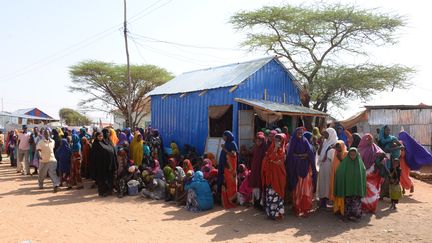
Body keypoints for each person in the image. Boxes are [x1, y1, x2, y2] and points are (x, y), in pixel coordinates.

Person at [286, 128, 317, 217]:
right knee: (297, 189)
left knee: (306, 189)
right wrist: (300, 156)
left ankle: (306, 209)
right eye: (298, 132)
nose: (300, 134)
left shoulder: (305, 141)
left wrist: (304, 155)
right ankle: (297, 207)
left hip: (306, 169)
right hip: (296, 170)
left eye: (301, 133)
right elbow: (290, 156)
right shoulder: (293, 143)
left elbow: (310, 154)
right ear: (295, 133)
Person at [334, 148, 366, 220]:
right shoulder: (345, 162)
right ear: (348, 155)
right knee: (348, 201)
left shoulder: (360, 164)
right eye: (351, 155)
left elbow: (363, 173)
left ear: (357, 155)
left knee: (356, 201)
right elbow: (340, 172)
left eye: (354, 155)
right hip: (348, 187)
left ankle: (356, 215)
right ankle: (347, 215)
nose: (352, 156)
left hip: (357, 188)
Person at [357, 134, 386, 213]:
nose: (370, 141)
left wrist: (378, 161)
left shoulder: (376, 148)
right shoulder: (359, 150)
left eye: (371, 139)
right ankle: (364, 207)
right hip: (362, 173)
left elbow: (383, 158)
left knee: (373, 191)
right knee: (364, 191)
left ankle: (372, 207)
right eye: (368, 139)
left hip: (374, 175)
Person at [262, 133, 287, 220]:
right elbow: (269, 158)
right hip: (271, 175)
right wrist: (272, 158)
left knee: (278, 194)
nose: (277, 142)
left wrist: (272, 160)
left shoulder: (283, 151)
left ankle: (278, 214)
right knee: (271, 194)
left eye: (279, 140)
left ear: (282, 141)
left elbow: (278, 161)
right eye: (275, 140)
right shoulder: (271, 148)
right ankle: (271, 214)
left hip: (279, 175)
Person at [90, 130, 117, 197]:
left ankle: (109, 191)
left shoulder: (105, 143)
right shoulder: (95, 145)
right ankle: (102, 192)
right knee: (101, 180)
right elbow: (93, 156)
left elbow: (111, 151)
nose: (100, 137)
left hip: (106, 165)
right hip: (99, 166)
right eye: (99, 136)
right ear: (96, 137)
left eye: (101, 136)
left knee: (108, 178)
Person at [317, 128, 338, 208]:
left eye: (326, 134)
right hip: (323, 166)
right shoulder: (325, 143)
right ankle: (322, 201)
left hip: (329, 166)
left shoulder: (335, 143)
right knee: (322, 183)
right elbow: (319, 153)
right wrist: (321, 144)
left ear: (331, 134)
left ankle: (328, 201)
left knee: (328, 183)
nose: (324, 135)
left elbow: (333, 157)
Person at [218, 131, 238, 209]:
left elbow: (234, 155)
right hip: (224, 167)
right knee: (223, 183)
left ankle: (230, 201)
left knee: (230, 185)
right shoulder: (226, 143)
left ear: (227, 136)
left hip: (230, 169)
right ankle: (223, 200)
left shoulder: (232, 144)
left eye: (224, 136)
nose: (223, 137)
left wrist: (224, 149)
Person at [248, 133, 267, 208]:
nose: (258, 143)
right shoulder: (255, 148)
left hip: (261, 169)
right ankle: (256, 202)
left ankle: (261, 204)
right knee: (255, 185)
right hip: (255, 169)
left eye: (260, 141)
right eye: (257, 141)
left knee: (260, 185)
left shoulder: (264, 148)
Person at [330, 141, 348, 216]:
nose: (338, 148)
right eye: (337, 147)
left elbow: (347, 165)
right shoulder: (335, 154)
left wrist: (340, 158)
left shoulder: (346, 154)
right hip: (336, 177)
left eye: (339, 146)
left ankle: (342, 209)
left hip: (343, 177)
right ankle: (337, 208)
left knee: (342, 192)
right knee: (337, 192)